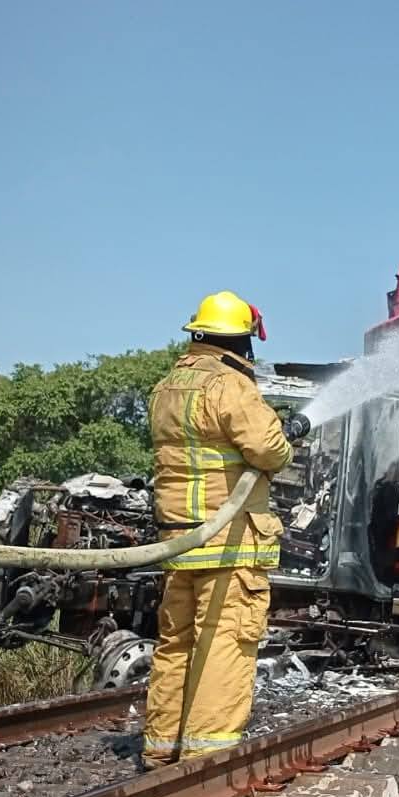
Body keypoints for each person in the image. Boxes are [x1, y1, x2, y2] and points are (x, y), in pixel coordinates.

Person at [142, 291, 292, 769]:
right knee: (224, 641)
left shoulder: (167, 386)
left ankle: (162, 747)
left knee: (177, 642)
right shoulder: (229, 385)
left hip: (179, 541)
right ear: (240, 341)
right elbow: (270, 450)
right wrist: (286, 436)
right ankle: (206, 763)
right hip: (228, 541)